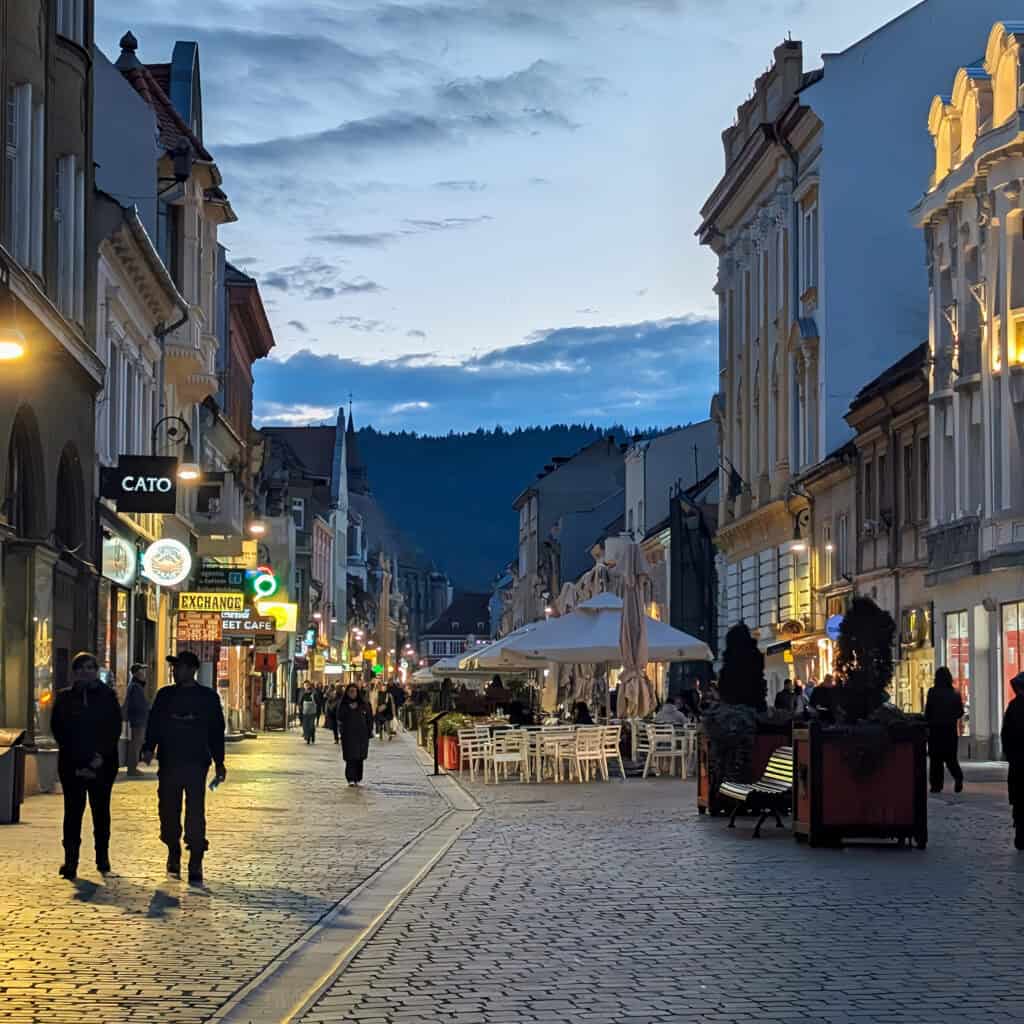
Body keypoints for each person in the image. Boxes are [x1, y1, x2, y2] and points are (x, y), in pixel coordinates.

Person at [141, 651, 226, 884]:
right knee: (168, 809)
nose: (174, 671)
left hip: (196, 762)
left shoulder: (207, 698)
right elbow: (154, 723)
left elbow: (216, 732)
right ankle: (173, 849)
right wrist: (148, 748)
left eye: (178, 667)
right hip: (169, 761)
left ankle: (195, 857)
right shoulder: (165, 696)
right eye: (174, 668)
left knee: (195, 812)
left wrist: (219, 762)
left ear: (191, 670)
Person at [50, 652, 123, 879]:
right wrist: (78, 760)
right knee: (73, 811)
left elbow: (113, 729)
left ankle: (102, 857)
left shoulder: (108, 696)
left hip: (103, 764)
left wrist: (99, 756)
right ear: (74, 672)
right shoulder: (64, 698)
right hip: (72, 764)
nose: (85, 672)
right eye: (81, 668)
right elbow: (59, 730)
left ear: (96, 671)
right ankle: (71, 861)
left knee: (100, 811)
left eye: (90, 668)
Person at [924, 667, 965, 794]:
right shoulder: (955, 693)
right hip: (950, 731)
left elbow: (928, 712)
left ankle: (936, 785)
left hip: (935, 731)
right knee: (951, 759)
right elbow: (960, 712)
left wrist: (928, 723)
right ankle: (958, 777)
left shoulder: (932, 692)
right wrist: (951, 717)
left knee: (936, 760)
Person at [1002, 672, 1024, 851]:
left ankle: (1020, 832)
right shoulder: (1014, 705)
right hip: (1018, 758)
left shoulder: (1014, 706)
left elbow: (1006, 733)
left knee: (1018, 797)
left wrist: (1009, 754)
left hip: (1018, 759)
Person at [338, 684, 373, 785]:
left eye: (354, 691)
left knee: (359, 758)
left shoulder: (364, 704)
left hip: (361, 735)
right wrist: (348, 708)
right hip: (348, 735)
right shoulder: (343, 704)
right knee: (350, 758)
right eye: (350, 691)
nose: (352, 694)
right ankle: (350, 778)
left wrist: (369, 731)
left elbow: (369, 719)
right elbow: (339, 716)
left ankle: (357, 778)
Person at [123, 663, 151, 776]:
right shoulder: (135, 686)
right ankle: (132, 768)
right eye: (141, 671)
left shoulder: (136, 685)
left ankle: (133, 768)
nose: (143, 674)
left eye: (144, 671)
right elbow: (136, 704)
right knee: (136, 744)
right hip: (138, 719)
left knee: (136, 743)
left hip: (139, 718)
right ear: (135, 673)